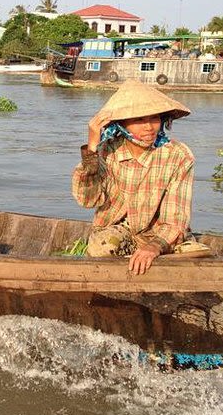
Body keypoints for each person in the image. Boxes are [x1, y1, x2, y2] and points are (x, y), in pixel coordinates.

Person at [71, 80, 195, 275]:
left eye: (154, 118)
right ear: (120, 125)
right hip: (116, 231)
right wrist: (92, 147)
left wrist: (154, 246)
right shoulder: (107, 152)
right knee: (102, 247)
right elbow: (88, 199)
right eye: (138, 120)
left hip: (158, 234)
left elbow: (175, 219)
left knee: (193, 254)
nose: (149, 127)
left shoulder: (178, 155)